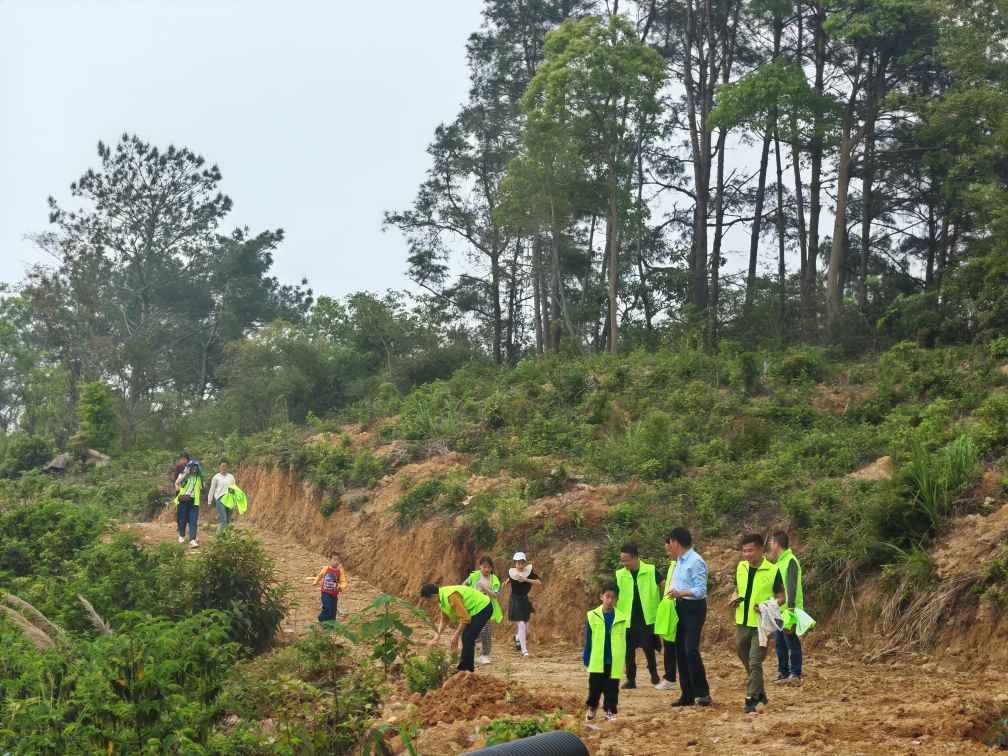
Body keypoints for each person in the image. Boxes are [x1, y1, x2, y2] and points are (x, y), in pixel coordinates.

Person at [730, 533, 784, 714]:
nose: (747, 554)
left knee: (754, 661)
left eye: (750, 550)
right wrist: (734, 597)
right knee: (742, 653)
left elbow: (781, 597)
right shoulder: (741, 567)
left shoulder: (773, 570)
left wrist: (766, 606)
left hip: (762, 625)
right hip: (742, 621)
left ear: (761, 550)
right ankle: (760, 692)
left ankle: (751, 698)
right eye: (744, 551)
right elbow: (737, 588)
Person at [665, 527, 712, 707]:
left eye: (670, 542)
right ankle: (687, 695)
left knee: (690, 649)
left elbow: (700, 590)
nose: (669, 546)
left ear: (676, 542)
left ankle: (703, 692)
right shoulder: (679, 560)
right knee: (680, 650)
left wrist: (680, 593)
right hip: (680, 606)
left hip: (694, 608)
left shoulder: (696, 561)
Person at [614, 543, 661, 689]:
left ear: (635, 558)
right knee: (628, 651)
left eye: (626, 560)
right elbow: (613, 593)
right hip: (626, 618)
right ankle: (631, 680)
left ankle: (654, 674)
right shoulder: (620, 574)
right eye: (622, 560)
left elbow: (664, 584)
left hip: (646, 617)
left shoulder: (651, 570)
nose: (624, 563)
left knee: (649, 648)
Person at [421, 581, 493, 673]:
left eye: (428, 600)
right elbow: (444, 620)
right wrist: (437, 636)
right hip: (474, 610)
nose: (428, 603)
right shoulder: (441, 599)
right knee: (466, 637)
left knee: (467, 637)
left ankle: (466, 669)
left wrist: (455, 636)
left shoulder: (451, 596)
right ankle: (464, 667)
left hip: (483, 607)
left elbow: (465, 618)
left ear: (434, 596)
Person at [583, 582, 627, 722]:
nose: (610, 600)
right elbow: (589, 638)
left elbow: (624, 641)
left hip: (614, 660)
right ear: (601, 596)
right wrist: (586, 656)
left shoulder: (622, 618)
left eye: (613, 597)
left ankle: (610, 711)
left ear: (617, 599)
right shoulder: (592, 615)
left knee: (612, 688)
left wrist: (625, 660)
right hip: (597, 659)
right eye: (607, 596)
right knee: (594, 687)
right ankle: (592, 708)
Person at [768, 530, 804, 683]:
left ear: (777, 543)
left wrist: (791, 608)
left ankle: (795, 673)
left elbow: (791, 586)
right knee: (780, 643)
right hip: (779, 610)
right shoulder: (779, 563)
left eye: (771, 542)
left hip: (789, 609)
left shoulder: (790, 560)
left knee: (791, 641)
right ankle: (783, 672)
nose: (770, 545)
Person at [464, 556, 502, 666]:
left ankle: (485, 655)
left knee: (486, 631)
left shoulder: (494, 579)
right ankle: (471, 652)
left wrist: (485, 589)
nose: (486, 569)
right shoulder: (474, 576)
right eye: (484, 567)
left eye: (489, 567)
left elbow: (496, 595)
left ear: (491, 568)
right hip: (473, 606)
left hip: (487, 607)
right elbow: (464, 585)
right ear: (480, 566)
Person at [653, 538, 678, 692]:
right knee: (669, 646)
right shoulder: (673, 564)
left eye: (669, 550)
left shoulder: (685, 565)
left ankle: (674, 678)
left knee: (678, 648)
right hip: (669, 612)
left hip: (678, 611)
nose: (667, 553)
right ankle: (670, 678)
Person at [505, 552, 541, 658]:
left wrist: (526, 579)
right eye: (518, 563)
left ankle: (517, 638)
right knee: (521, 624)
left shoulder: (529, 572)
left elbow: (539, 582)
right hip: (515, 600)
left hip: (524, 600)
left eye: (521, 563)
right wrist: (506, 582)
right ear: (515, 563)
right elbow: (510, 578)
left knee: (525, 626)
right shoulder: (512, 572)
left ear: (524, 563)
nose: (520, 565)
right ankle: (524, 650)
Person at [174, 459, 203, 548]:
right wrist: (185, 473)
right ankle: (181, 536)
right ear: (189, 468)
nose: (195, 469)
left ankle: (192, 539)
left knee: (193, 521)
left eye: (196, 467)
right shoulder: (183, 475)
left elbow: (201, 488)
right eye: (193, 467)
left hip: (194, 502)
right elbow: (177, 483)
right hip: (183, 501)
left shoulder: (199, 478)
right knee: (182, 519)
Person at [313, 553, 348, 623]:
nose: (336, 562)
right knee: (327, 607)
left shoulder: (340, 571)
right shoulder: (326, 569)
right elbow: (320, 575)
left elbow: (343, 581)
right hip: (325, 593)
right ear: (330, 560)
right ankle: (322, 619)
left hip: (334, 594)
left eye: (338, 560)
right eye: (334, 560)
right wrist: (315, 582)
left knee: (333, 609)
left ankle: (332, 623)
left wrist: (341, 586)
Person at [206, 459, 237, 534]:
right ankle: (218, 536)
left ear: (228, 467)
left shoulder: (231, 477)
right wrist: (209, 501)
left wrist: (234, 501)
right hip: (220, 499)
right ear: (219, 466)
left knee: (228, 520)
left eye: (226, 466)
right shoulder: (216, 477)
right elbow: (212, 489)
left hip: (229, 499)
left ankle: (225, 536)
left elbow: (233, 489)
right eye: (222, 466)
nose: (224, 468)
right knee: (223, 519)